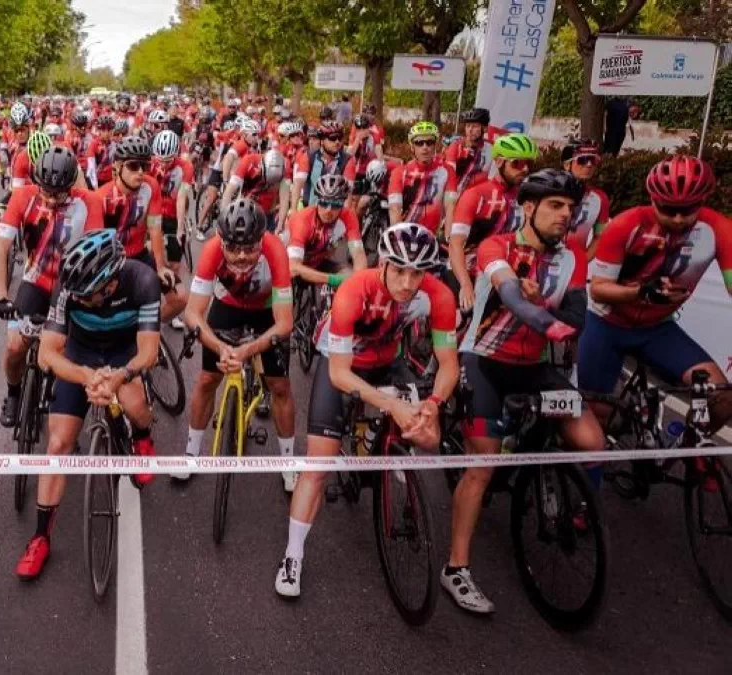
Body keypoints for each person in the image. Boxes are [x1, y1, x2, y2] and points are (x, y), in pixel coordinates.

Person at [276, 223, 458, 597]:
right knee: (318, 466)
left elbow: (449, 364)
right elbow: (340, 374)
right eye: (401, 270)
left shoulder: (438, 296)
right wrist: (391, 403)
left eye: (418, 272)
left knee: (428, 437)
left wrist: (433, 405)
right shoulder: (355, 289)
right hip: (341, 362)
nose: (409, 283)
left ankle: (379, 445)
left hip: (387, 361)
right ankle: (293, 555)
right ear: (385, 263)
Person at [449, 169, 601, 615]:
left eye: (571, 208)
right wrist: (548, 320)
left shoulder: (572, 253)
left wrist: (558, 321)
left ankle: (533, 455)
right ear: (529, 208)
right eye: (556, 206)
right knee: (481, 468)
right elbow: (512, 298)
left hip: (534, 366)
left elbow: (579, 313)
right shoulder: (497, 246)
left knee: (591, 441)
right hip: (484, 361)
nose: (565, 215)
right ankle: (456, 567)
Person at [16, 230, 161, 580]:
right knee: (58, 443)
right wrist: (86, 377)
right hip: (80, 354)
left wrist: (119, 377)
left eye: (89, 295)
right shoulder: (68, 286)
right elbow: (48, 353)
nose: (81, 299)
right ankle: (40, 537)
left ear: (110, 283)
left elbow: (149, 354)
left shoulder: (143, 281)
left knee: (136, 404)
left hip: (124, 352)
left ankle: (142, 437)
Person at [580, 155, 732, 440]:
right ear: (653, 200)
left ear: (702, 201)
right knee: (596, 419)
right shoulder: (627, 224)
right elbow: (598, 289)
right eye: (668, 209)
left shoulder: (718, 229)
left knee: (723, 398)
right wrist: (642, 291)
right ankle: (593, 481)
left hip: (657, 329)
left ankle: (684, 443)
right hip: (606, 324)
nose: (677, 219)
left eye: (687, 210)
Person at [177, 199, 295, 490]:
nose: (241, 256)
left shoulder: (275, 249)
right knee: (206, 380)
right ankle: (191, 454)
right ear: (222, 241)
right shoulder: (212, 250)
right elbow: (192, 313)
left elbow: (284, 324)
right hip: (227, 306)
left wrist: (246, 351)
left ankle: (288, 463)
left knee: (279, 387)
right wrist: (220, 347)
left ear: (261, 241)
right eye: (233, 248)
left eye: (250, 248)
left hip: (267, 311)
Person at [0, 147, 103, 428]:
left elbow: (96, 254)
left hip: (72, 288)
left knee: (68, 351)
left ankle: (68, 413)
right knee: (15, 346)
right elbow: (0, 249)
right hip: (35, 282)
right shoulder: (23, 197)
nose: (51, 199)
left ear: (72, 186)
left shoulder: (88, 201)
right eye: (46, 192)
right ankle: (13, 393)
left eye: (59, 193)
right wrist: (2, 296)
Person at [95, 137, 186, 321]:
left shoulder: (150, 186)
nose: (140, 172)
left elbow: (155, 229)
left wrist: (160, 267)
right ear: (118, 167)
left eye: (144, 166)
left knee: (180, 297)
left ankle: (142, 329)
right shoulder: (101, 197)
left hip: (139, 254)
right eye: (133, 166)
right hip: (110, 261)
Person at [447, 133, 537, 310]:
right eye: (517, 163)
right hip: (468, 269)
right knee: (459, 323)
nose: (525, 169)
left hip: (505, 273)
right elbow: (455, 244)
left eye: (529, 164)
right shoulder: (475, 194)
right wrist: (465, 284)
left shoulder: (527, 199)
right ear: (498, 162)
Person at [287, 175, 367, 288]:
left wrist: (356, 282)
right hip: (294, 262)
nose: (328, 210)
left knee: (351, 276)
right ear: (317, 201)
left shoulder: (349, 217)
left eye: (335, 205)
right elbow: (293, 267)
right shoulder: (303, 220)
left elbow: (359, 255)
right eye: (324, 203)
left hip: (319, 260)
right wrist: (332, 279)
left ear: (342, 204)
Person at [150, 130, 195, 327]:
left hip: (172, 215)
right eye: (161, 160)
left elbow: (182, 197)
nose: (164, 164)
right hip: (153, 215)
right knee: (153, 257)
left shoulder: (185, 167)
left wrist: (179, 229)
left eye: (168, 160)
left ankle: (172, 306)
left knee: (175, 264)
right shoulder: (150, 164)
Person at [387, 121, 459, 237]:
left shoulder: (447, 171)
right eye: (419, 143)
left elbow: (451, 207)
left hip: (432, 238)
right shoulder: (399, 173)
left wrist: (448, 239)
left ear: (435, 145)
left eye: (429, 142)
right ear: (412, 147)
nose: (425, 147)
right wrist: (398, 237)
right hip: (404, 234)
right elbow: (395, 209)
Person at [221, 148, 290, 235]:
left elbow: (284, 198)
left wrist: (280, 224)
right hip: (246, 210)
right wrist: (224, 220)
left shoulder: (285, 166)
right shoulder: (248, 161)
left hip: (268, 212)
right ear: (262, 166)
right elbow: (229, 192)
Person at [560, 138, 609, 257]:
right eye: (582, 160)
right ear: (567, 165)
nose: (589, 165)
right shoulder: (547, 190)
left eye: (593, 160)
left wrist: (582, 262)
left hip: (576, 264)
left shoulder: (600, 198)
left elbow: (600, 237)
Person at [443, 108, 494, 191]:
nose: (470, 130)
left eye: (474, 126)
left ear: (485, 128)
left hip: (478, 195)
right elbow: (449, 177)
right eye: (468, 126)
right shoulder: (456, 146)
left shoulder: (491, 149)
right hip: (454, 194)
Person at [301, 123, 350, 206]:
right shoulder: (309, 156)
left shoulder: (347, 159)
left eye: (340, 138)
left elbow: (349, 194)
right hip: (310, 208)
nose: (337, 142)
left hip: (334, 211)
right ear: (322, 141)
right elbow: (297, 186)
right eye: (332, 138)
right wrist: (293, 210)